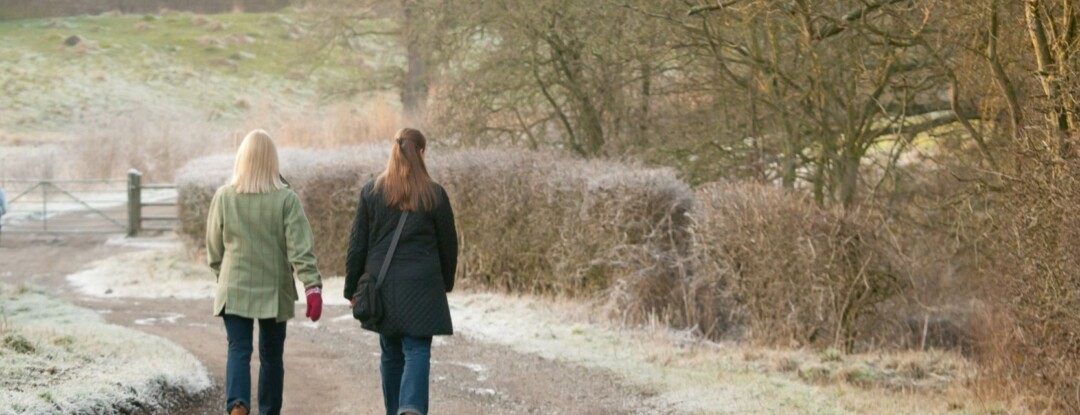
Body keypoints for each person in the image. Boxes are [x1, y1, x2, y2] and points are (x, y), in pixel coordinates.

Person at [206, 129, 323, 415]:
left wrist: (224, 276)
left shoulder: (224, 197)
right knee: (271, 357)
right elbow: (300, 248)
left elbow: (214, 249)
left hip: (234, 287)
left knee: (239, 350)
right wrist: (312, 286)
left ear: (242, 159)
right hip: (274, 288)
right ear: (273, 161)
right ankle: (269, 411)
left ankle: (237, 404)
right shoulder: (286, 199)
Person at [345, 128, 458, 415]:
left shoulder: (372, 191)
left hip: (383, 288)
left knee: (391, 353)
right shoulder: (435, 194)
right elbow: (448, 245)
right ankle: (412, 408)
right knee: (417, 350)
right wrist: (444, 283)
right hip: (422, 286)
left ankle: (397, 409)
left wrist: (351, 289)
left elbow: (358, 245)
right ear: (421, 153)